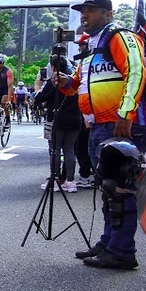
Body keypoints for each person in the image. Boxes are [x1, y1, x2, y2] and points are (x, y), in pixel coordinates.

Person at [56, 0, 146, 269]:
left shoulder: (120, 37)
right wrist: (64, 82)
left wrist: (126, 112)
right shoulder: (90, 46)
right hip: (97, 126)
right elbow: (77, 86)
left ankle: (122, 251)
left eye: (92, 10)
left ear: (108, 14)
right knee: (107, 187)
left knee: (119, 187)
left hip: (119, 124)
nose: (84, 14)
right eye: (82, 10)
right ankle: (109, 242)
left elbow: (137, 71)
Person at [34, 44, 81, 192]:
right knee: (69, 149)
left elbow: (39, 98)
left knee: (54, 149)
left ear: (53, 68)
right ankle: (70, 182)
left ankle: (54, 180)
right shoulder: (73, 81)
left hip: (56, 120)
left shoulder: (53, 82)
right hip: (74, 119)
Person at [72, 33, 95, 188]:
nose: (79, 48)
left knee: (84, 146)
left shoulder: (95, 63)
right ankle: (88, 173)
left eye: (82, 45)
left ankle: (87, 175)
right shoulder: (82, 65)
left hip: (94, 116)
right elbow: (73, 86)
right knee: (80, 146)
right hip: (83, 113)